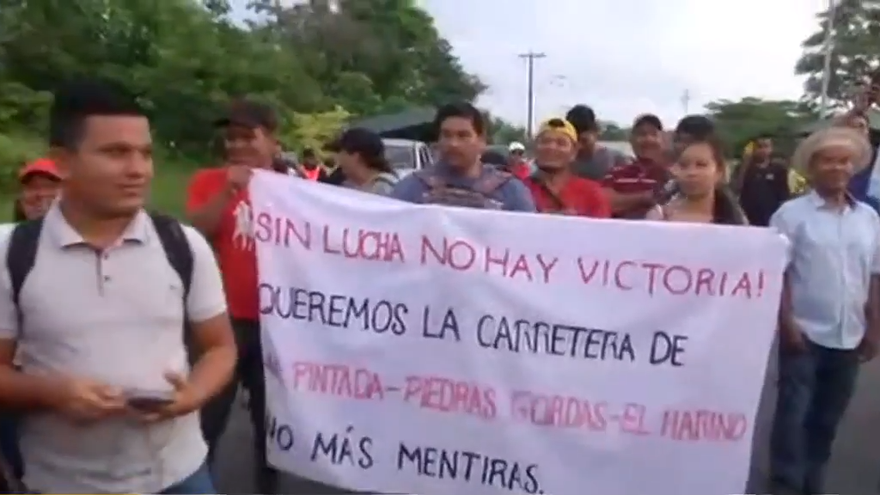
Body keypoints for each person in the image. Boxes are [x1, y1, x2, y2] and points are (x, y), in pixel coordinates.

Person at [0, 80, 236, 493]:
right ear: (63, 162)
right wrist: (53, 393)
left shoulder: (182, 245)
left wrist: (192, 396)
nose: (138, 170)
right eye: (116, 153)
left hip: (179, 474)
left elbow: (220, 347)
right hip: (63, 482)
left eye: (145, 153)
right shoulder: (11, 253)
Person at [769, 126, 879, 495]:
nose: (837, 168)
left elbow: (874, 275)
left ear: (854, 167)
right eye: (828, 161)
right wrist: (787, 323)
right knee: (793, 417)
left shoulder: (869, 218)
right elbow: (779, 273)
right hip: (804, 332)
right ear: (813, 168)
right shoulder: (790, 215)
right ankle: (785, 483)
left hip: (849, 334)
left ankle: (812, 481)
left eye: (844, 161)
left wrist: (874, 327)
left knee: (827, 418)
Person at [185, 98, 283, 493]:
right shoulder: (209, 181)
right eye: (231, 138)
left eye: (247, 137)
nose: (238, 146)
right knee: (204, 420)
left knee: (271, 426)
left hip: (276, 326)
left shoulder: (295, 190)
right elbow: (197, 230)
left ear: (272, 141)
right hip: (221, 322)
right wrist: (229, 189)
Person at [390, 102, 536, 211]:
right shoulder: (411, 189)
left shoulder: (510, 192)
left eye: (463, 135)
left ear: (482, 141)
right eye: (446, 135)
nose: (453, 144)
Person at [645, 134, 747, 225]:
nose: (691, 172)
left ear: (719, 172)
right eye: (683, 165)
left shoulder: (735, 220)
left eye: (701, 165)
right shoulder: (659, 218)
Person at [524, 118, 610, 217]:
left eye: (561, 143)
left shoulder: (592, 193)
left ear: (574, 152)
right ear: (535, 148)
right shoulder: (519, 189)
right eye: (545, 141)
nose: (551, 147)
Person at [601, 114, 670, 219]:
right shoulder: (615, 173)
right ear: (631, 140)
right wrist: (646, 197)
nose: (648, 139)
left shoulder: (671, 174)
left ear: (663, 141)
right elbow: (605, 202)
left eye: (654, 134)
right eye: (642, 134)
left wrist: (625, 200)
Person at [735, 135, 790, 226]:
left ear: (771, 148)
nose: (763, 150)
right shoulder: (743, 168)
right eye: (759, 147)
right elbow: (737, 188)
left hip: (771, 216)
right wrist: (745, 163)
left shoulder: (778, 169)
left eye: (766, 146)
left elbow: (783, 195)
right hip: (749, 218)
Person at [566, 104, 627, 181]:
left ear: (596, 132)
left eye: (584, 141)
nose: (579, 146)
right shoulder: (563, 161)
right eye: (574, 141)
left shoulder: (616, 158)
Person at [331, 127, 398, 195]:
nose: (338, 158)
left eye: (340, 152)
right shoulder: (347, 185)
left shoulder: (384, 189)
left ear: (356, 156)